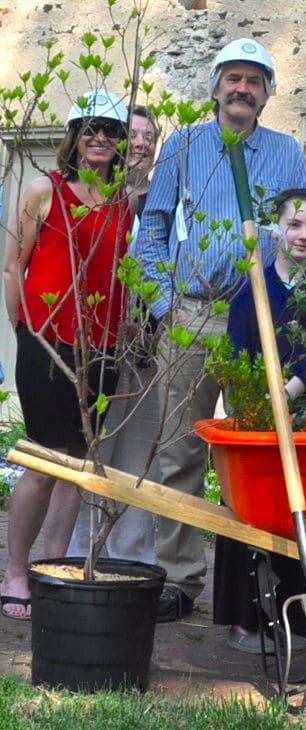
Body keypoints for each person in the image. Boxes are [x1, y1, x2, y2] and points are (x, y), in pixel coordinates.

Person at [135, 37, 306, 622]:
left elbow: (298, 235)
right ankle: (179, 581)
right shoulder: (183, 146)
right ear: (215, 88)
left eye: (254, 81)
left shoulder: (287, 153)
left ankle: (249, 588)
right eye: (233, 78)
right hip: (191, 314)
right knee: (179, 451)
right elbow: (152, 229)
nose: (243, 89)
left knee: (254, 451)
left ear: (266, 93)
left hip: (257, 318)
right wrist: (165, 308)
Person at [0, 89, 131, 620]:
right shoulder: (43, 190)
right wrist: (25, 329)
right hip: (48, 345)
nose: (100, 137)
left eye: (111, 129)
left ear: (121, 142)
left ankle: (52, 569)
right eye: (90, 127)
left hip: (102, 350)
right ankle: (14, 571)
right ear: (74, 137)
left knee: (77, 465)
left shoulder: (126, 199)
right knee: (43, 462)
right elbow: (14, 266)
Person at [214, 188, 306, 653]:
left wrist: (292, 391)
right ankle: (245, 621)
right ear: (276, 229)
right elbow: (234, 358)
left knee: (305, 513)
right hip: (257, 416)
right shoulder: (251, 289)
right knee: (249, 510)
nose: (303, 235)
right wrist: (256, 404)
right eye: (294, 225)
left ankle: (303, 618)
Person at [69, 104, 162, 566]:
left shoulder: (168, 195)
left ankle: (131, 554)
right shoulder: (99, 197)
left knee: (140, 451)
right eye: (135, 134)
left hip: (152, 342)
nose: (141, 143)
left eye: (150, 136)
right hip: (98, 339)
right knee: (93, 446)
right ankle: (80, 548)